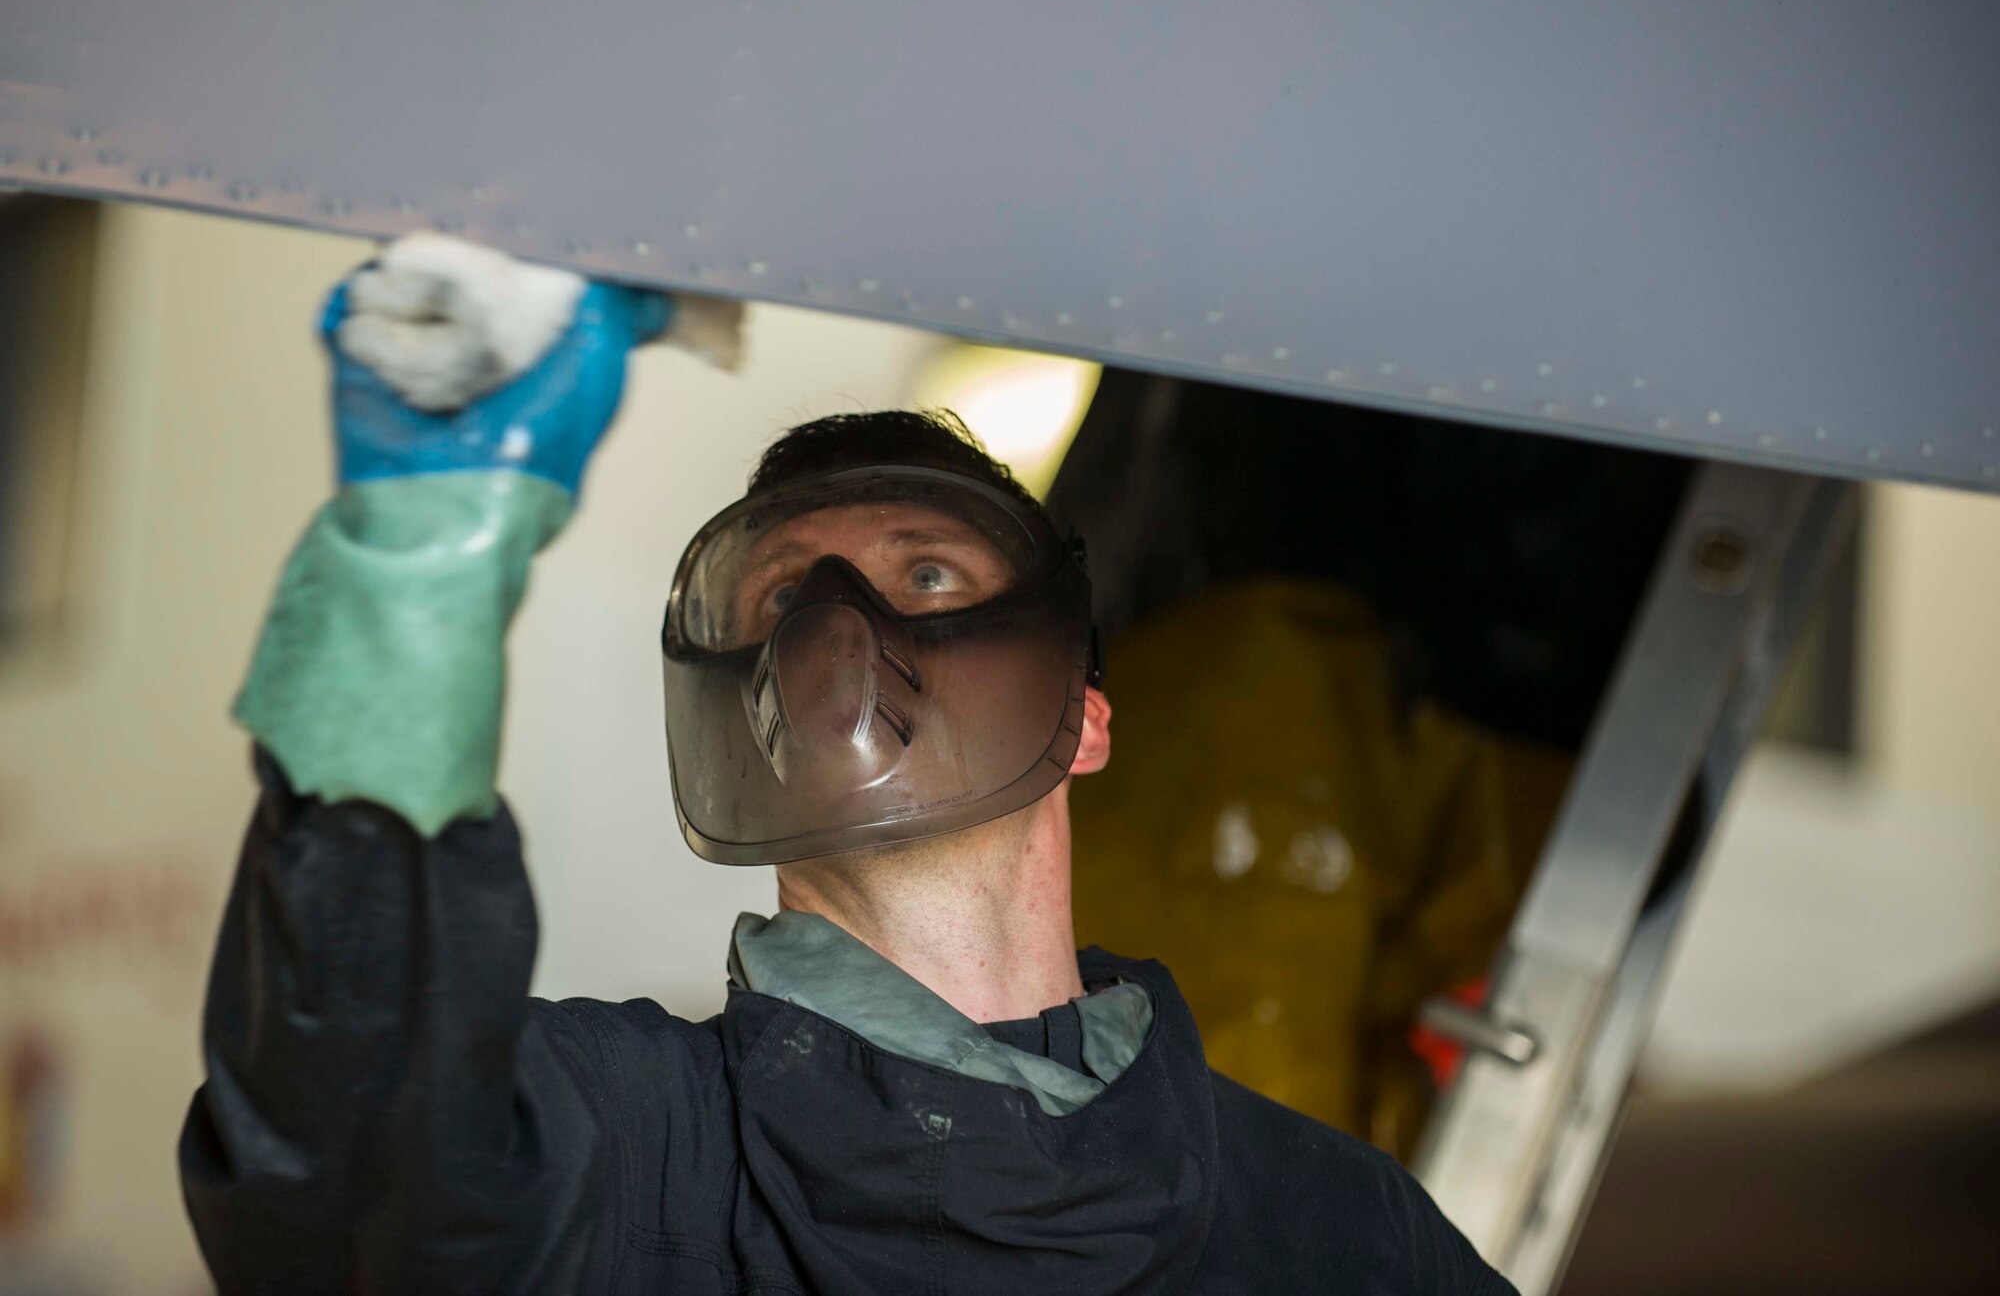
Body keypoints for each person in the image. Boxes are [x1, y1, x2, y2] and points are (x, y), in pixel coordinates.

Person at [178, 235, 1515, 1294]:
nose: (839, 635)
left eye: (924, 572)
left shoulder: (1339, 1234)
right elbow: (342, 1176)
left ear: (1084, 713)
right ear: (736, 713)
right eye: (781, 604)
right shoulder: (613, 1154)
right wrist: (419, 561)